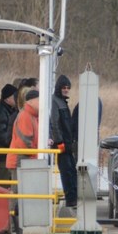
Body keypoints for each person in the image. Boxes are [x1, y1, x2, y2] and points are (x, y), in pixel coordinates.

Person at [49, 75, 79, 213]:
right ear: (59, 88)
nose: (66, 90)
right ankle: (71, 199)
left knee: (71, 171)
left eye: (68, 88)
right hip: (62, 144)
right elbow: (55, 123)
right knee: (67, 171)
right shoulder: (56, 102)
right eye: (64, 87)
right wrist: (59, 141)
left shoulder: (62, 101)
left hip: (67, 144)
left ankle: (73, 198)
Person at [7, 90, 40, 180]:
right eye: (39, 100)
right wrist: (36, 154)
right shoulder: (25, 116)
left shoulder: (33, 116)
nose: (41, 103)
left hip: (25, 160)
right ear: (31, 101)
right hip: (20, 161)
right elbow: (25, 142)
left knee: (23, 191)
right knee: (19, 191)